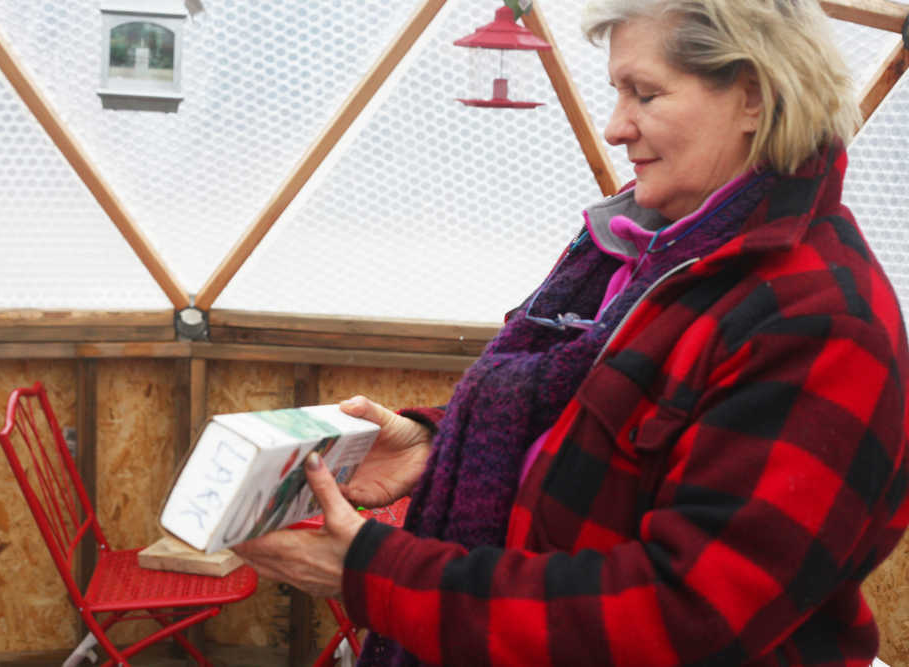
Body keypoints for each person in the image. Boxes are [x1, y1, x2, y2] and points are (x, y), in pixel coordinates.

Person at [235, 1, 909, 664]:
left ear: (754, 97)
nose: (616, 127)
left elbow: (682, 615)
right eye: (618, 92)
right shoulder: (642, 249)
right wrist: (439, 443)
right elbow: (602, 418)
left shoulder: (819, 320)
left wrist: (375, 571)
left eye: (645, 93)